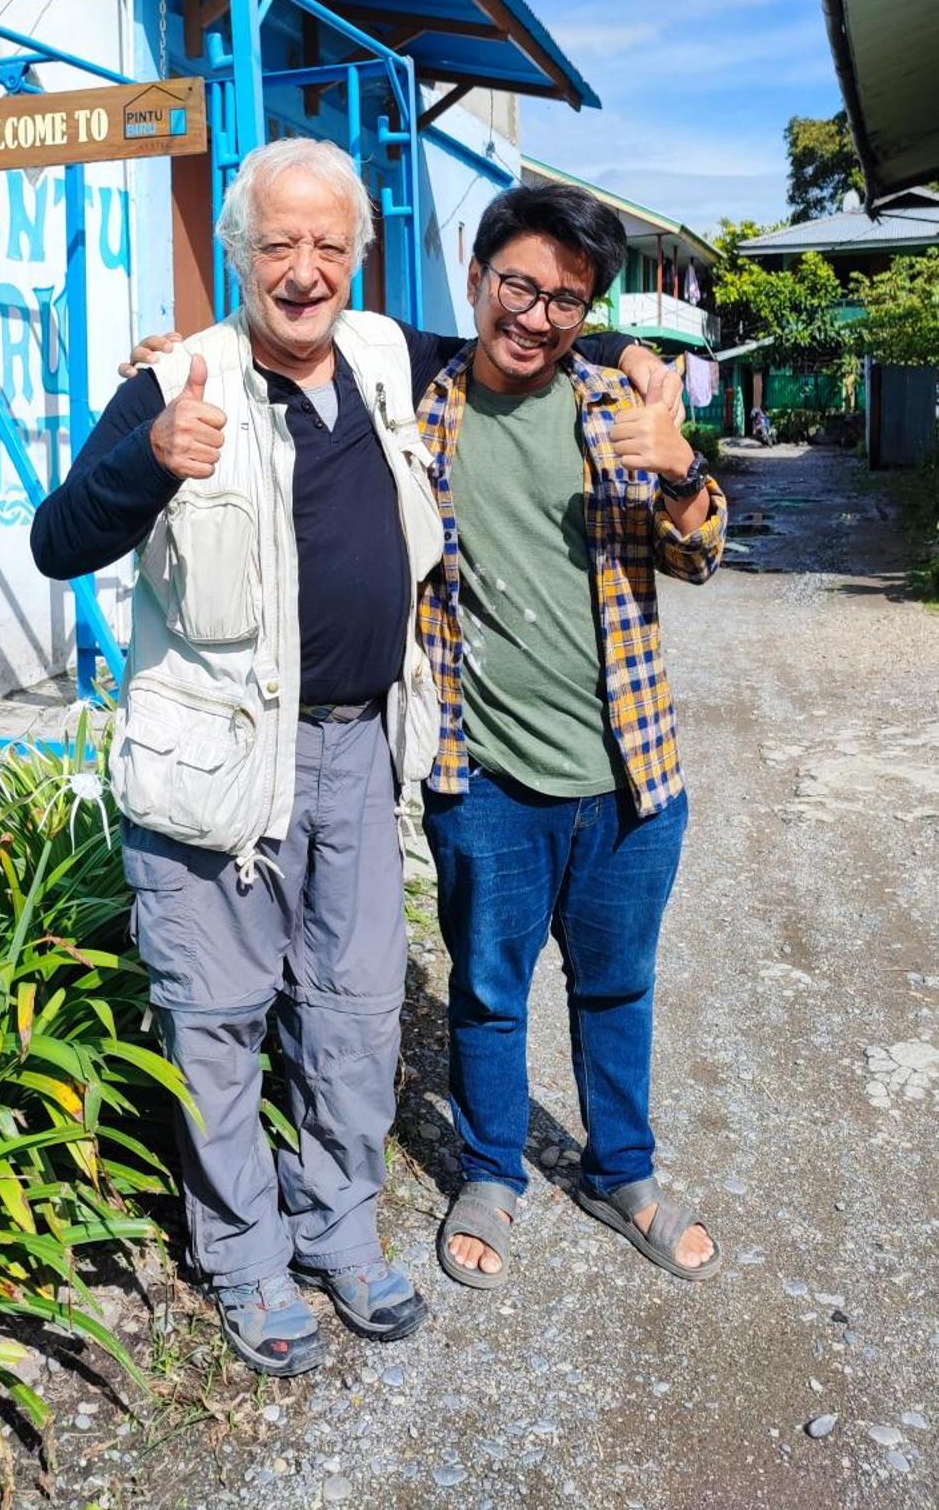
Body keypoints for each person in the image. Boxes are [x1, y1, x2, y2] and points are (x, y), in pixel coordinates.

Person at [42, 138, 672, 1377]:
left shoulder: (385, 353)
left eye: (329, 244)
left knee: (355, 1013)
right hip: (224, 771)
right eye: (278, 243)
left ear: (361, 259)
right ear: (239, 255)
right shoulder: (183, 380)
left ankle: (337, 1230)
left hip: (361, 755)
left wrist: (641, 358)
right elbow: (59, 537)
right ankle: (246, 1261)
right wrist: (145, 457)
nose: (304, 268)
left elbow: (530, 331)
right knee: (217, 1026)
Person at [416, 182, 727, 1290]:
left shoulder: (614, 403)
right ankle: (494, 1170)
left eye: (566, 298)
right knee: (490, 987)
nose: (538, 314)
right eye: (521, 285)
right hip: (485, 775)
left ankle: (621, 1170)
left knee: (615, 983)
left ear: (587, 308)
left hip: (630, 776)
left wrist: (683, 466)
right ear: (478, 273)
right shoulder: (421, 406)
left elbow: (697, 555)